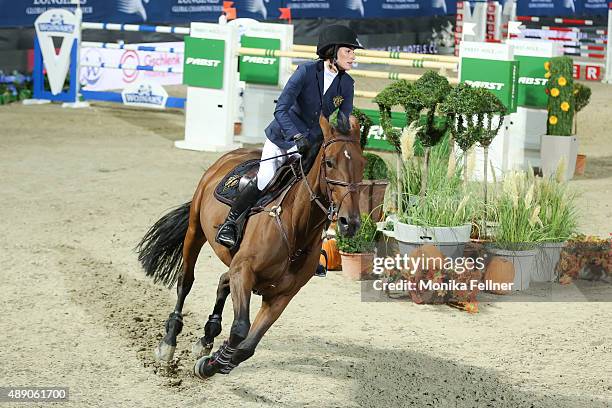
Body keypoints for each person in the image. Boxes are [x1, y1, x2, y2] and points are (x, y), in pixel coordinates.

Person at [215, 24, 363, 265]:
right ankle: (232, 223)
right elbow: (281, 108)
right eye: (348, 51)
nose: (353, 56)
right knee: (265, 179)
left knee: (318, 189)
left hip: (313, 145)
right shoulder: (306, 72)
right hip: (283, 138)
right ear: (332, 52)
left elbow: (343, 121)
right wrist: (295, 136)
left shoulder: (347, 84)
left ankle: (311, 248)